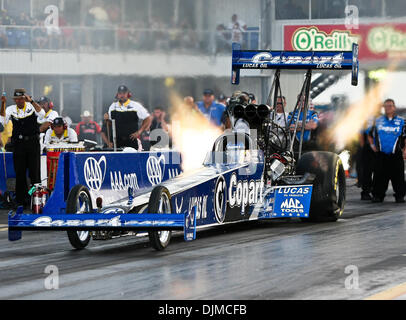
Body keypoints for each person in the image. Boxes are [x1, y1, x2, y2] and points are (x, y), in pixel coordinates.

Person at [0, 88, 45, 207]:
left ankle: (35, 198)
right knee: (20, 173)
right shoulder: (11, 109)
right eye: (17, 99)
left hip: (33, 143)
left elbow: (42, 114)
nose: (19, 101)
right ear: (14, 100)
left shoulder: (31, 107)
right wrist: (3, 103)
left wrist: (32, 101)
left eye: (21, 98)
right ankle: (22, 200)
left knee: (34, 173)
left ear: (25, 98)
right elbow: (2, 120)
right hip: (19, 144)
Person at [367, 99, 406, 203]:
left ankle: (400, 196)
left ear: (394, 107)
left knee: (399, 177)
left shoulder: (402, 121)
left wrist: (405, 150)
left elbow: (405, 137)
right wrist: (372, 146)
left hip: (396, 154)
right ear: (383, 108)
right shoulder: (378, 121)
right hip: (381, 155)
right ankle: (377, 195)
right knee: (379, 176)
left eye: (390, 106)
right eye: (386, 106)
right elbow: (370, 135)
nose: (388, 108)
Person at [108, 85, 152, 149]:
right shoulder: (112, 106)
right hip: (116, 142)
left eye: (124, 93)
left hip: (131, 141)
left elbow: (147, 118)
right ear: (117, 94)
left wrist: (139, 132)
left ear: (128, 94)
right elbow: (109, 124)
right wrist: (109, 141)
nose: (122, 95)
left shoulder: (135, 105)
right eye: (120, 93)